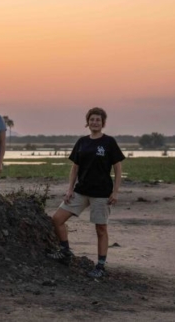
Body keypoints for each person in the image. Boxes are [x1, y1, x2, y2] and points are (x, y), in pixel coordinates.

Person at [48, 107, 125, 278]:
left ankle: (101, 266)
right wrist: (69, 189)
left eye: (98, 120)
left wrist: (115, 191)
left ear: (103, 123)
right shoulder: (82, 142)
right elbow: (75, 167)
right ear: (87, 122)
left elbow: (118, 168)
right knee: (57, 219)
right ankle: (65, 252)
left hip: (102, 193)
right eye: (92, 119)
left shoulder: (109, 142)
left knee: (101, 229)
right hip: (81, 191)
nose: (94, 122)